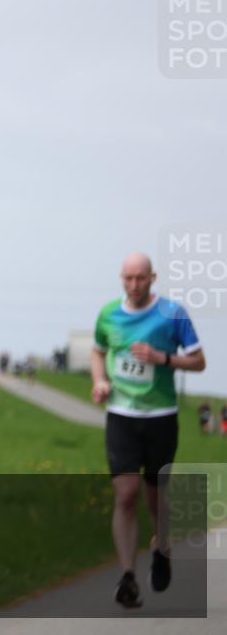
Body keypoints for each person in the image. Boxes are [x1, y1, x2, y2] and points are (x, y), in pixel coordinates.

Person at [90, 252, 206, 608]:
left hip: (160, 417)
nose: (134, 285)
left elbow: (200, 361)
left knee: (156, 498)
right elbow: (98, 351)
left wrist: (163, 359)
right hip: (122, 417)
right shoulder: (109, 314)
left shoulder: (172, 314)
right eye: (127, 278)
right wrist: (100, 381)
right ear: (120, 278)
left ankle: (163, 548)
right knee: (125, 494)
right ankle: (127, 576)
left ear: (153, 278)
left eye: (140, 278)